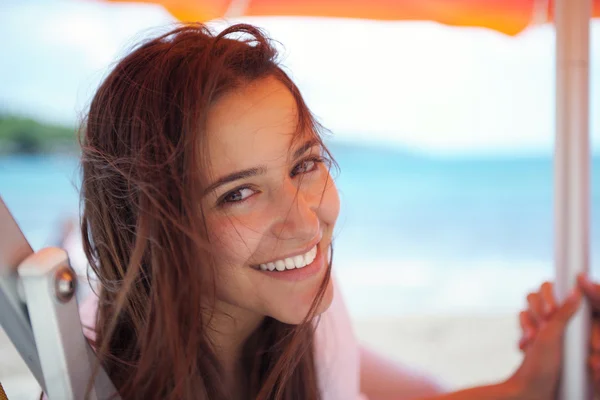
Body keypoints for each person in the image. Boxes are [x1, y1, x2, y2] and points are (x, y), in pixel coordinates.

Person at [65, 22, 587, 399]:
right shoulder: (92, 380)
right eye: (238, 193)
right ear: (148, 227)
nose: (307, 224)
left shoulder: (308, 321)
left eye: (305, 164)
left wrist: (530, 383)